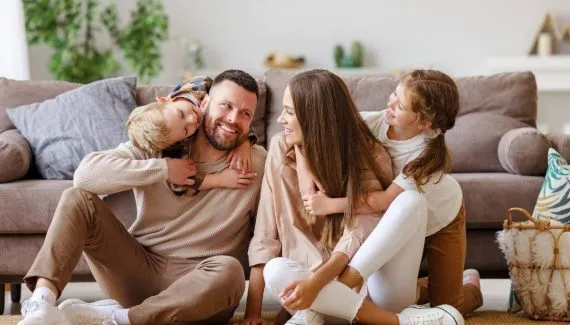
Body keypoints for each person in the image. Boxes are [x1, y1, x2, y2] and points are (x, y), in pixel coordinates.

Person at [17, 69, 267, 325]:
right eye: (226, 106)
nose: (233, 119)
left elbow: (265, 240)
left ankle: (119, 319)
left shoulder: (258, 163)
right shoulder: (165, 139)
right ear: (204, 104)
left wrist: (254, 313)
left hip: (200, 292)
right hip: (140, 270)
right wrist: (163, 170)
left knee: (231, 271)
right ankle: (42, 306)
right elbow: (85, 177)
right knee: (76, 199)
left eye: (245, 114)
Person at [242, 69, 463, 325]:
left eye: (290, 112)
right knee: (275, 270)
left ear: (424, 123)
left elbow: (376, 209)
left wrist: (319, 282)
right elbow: (266, 234)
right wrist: (253, 313)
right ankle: (391, 315)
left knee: (448, 301)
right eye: (394, 94)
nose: (280, 118)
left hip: (431, 214)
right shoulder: (368, 125)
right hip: (338, 278)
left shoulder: (414, 158)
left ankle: (455, 297)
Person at [303, 69, 483, 319]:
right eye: (393, 94)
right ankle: (420, 291)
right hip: (401, 219)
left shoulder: (426, 156)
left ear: (423, 123)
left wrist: (329, 205)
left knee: (447, 306)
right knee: (398, 298)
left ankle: (472, 287)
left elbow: (384, 200)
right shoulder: (373, 123)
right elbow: (319, 139)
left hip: (442, 216)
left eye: (400, 105)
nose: (390, 103)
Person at [126, 75, 257, 196]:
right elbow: (182, 183)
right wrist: (219, 180)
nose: (192, 119)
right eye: (185, 130)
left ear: (165, 100)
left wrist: (244, 144)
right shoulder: (175, 145)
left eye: (181, 114)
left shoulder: (198, 86)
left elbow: (237, 111)